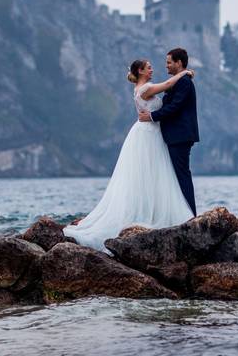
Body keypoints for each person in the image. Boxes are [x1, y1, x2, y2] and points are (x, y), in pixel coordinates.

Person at [63, 57, 196, 251]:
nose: (152, 69)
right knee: (155, 173)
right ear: (140, 71)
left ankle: (150, 211)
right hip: (149, 133)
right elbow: (168, 84)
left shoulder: (141, 88)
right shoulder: (146, 88)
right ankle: (157, 214)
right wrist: (185, 72)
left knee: (152, 174)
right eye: (148, 68)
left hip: (149, 132)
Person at [138, 48, 199, 216]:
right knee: (176, 175)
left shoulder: (184, 82)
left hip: (180, 135)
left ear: (179, 63)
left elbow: (175, 107)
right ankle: (182, 214)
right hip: (175, 135)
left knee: (181, 175)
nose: (166, 66)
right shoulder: (178, 81)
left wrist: (152, 116)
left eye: (169, 62)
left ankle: (190, 214)